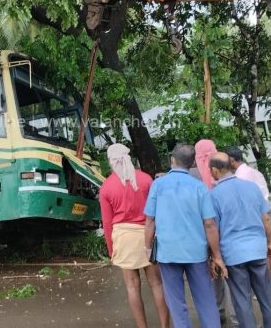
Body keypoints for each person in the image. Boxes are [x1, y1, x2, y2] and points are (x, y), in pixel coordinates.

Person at [144, 143, 227, 328]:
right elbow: (210, 224)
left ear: (172, 160)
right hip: (196, 253)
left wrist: (147, 248)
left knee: (177, 304)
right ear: (192, 164)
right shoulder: (200, 187)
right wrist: (217, 256)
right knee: (206, 301)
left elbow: (150, 221)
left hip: (168, 252)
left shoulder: (158, 185)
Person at [99, 143, 169, 328]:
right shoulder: (146, 179)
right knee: (157, 284)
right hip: (147, 234)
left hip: (123, 238)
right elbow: (157, 211)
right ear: (129, 158)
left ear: (111, 162)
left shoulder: (106, 187)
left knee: (132, 286)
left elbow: (107, 223)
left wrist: (111, 249)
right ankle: (165, 326)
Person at [209, 152, 271, 327]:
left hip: (233, 254)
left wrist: (216, 256)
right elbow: (266, 218)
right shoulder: (251, 187)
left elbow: (213, 228)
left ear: (215, 170)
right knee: (266, 296)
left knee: (242, 300)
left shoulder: (214, 195)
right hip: (257, 250)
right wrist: (269, 242)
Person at [194, 139, 238, 327]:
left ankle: (218, 313)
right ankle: (237, 318)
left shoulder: (193, 175)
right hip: (228, 233)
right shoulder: (225, 170)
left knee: (213, 276)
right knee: (232, 278)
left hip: (206, 234)